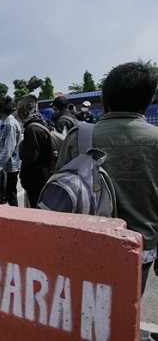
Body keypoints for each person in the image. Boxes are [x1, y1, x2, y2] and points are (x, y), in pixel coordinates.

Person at [56, 61, 158, 298]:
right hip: (141, 248)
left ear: (104, 98)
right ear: (149, 99)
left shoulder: (80, 135)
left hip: (86, 245)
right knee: (127, 310)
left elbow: (61, 190)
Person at [16, 95, 52, 208]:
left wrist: (23, 179)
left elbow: (29, 159)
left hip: (36, 182)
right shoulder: (43, 124)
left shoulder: (31, 130)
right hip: (45, 178)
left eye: (21, 109)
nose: (18, 113)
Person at [0, 96, 21, 206]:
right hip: (9, 166)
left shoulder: (9, 124)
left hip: (11, 167)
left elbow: (8, 149)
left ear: (0, 111)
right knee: (9, 196)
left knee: (11, 196)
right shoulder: (9, 122)